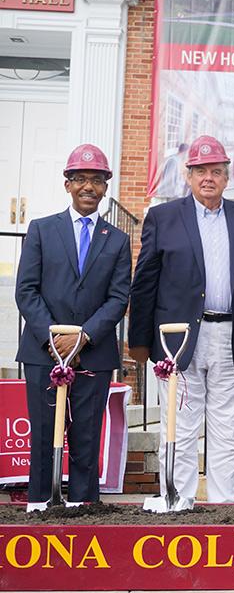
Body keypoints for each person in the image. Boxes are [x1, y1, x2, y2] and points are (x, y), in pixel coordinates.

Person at [129, 135, 234, 504]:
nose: (209, 178)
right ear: (188, 176)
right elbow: (144, 281)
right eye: (201, 171)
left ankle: (224, 508)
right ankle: (177, 503)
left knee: (229, 430)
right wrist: (140, 341)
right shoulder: (163, 217)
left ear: (227, 177)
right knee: (180, 426)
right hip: (178, 339)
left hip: (231, 337)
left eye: (216, 171)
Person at [16, 144, 131, 505]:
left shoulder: (117, 240)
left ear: (105, 188)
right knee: (43, 435)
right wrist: (55, 339)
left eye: (96, 180)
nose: (88, 187)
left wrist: (82, 338)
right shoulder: (41, 230)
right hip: (43, 352)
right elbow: (26, 291)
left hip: (93, 354)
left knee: (86, 438)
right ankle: (39, 506)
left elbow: (118, 298)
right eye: (80, 179)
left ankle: (84, 509)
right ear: (67, 184)